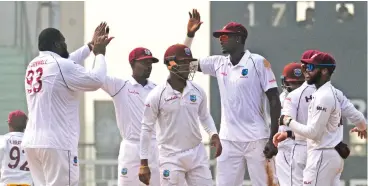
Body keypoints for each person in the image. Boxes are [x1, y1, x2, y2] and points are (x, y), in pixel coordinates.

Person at [183, 9, 281, 186]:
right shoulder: (218, 63)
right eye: (220, 36)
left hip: (257, 139)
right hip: (228, 141)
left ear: (238, 38)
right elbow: (184, 63)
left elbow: (274, 100)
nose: (221, 39)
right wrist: (190, 35)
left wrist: (273, 138)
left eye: (225, 36)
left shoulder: (258, 62)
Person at [22, 23, 113, 185]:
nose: (66, 45)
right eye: (63, 42)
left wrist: (90, 46)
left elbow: (66, 62)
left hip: (32, 143)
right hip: (57, 144)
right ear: (56, 44)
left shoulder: (34, 65)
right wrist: (99, 54)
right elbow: (96, 80)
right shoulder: (61, 66)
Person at [274, 50, 367, 186]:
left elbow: (313, 133)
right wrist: (362, 128)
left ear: (324, 71)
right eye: (304, 67)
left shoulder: (317, 96)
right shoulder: (335, 93)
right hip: (333, 154)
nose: (306, 71)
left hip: (319, 154)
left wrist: (287, 122)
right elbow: (358, 117)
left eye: (310, 67)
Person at [138, 44, 222, 186]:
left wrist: (213, 134)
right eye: (183, 62)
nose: (189, 66)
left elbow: (204, 116)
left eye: (190, 62)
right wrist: (143, 164)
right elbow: (146, 128)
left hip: (197, 153)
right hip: (171, 157)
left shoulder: (198, 90)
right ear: (171, 64)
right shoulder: (156, 95)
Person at [101, 47, 160, 186]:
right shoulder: (120, 85)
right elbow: (97, 78)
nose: (149, 66)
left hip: (154, 148)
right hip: (131, 149)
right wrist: (99, 53)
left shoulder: (157, 89)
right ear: (132, 63)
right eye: (145, 62)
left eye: (150, 63)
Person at [276, 62, 304, 186]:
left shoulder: (312, 98)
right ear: (285, 82)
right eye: (293, 83)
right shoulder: (279, 100)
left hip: (305, 147)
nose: (296, 87)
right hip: (285, 148)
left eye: (300, 83)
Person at [0, 110, 32, 185]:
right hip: (27, 183)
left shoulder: (3, 140)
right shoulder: (32, 141)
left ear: (9, 124)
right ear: (25, 125)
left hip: (6, 183)